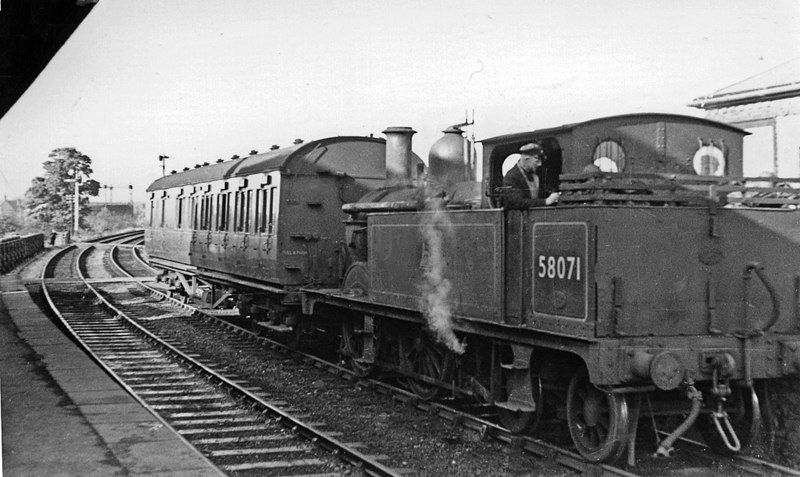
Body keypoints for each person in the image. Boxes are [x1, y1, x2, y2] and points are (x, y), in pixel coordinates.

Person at [502, 142, 560, 209]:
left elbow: (547, 189)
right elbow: (518, 202)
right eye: (537, 159)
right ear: (526, 158)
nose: (539, 164)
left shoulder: (538, 173)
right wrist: (545, 201)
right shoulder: (511, 177)